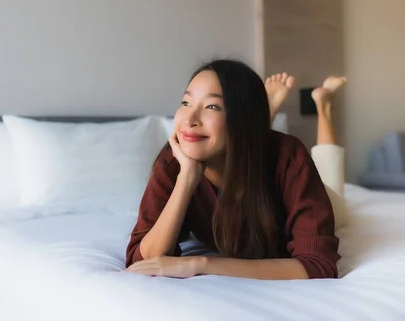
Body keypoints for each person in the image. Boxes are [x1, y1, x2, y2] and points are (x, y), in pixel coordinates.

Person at [125, 59, 346, 280]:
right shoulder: (175, 161)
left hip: (311, 193)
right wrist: (186, 180)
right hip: (243, 145)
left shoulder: (288, 156)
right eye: (185, 103)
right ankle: (264, 116)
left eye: (212, 106)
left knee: (333, 188)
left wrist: (201, 263)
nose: (190, 119)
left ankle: (323, 105)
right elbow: (143, 261)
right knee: (241, 144)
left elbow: (319, 265)